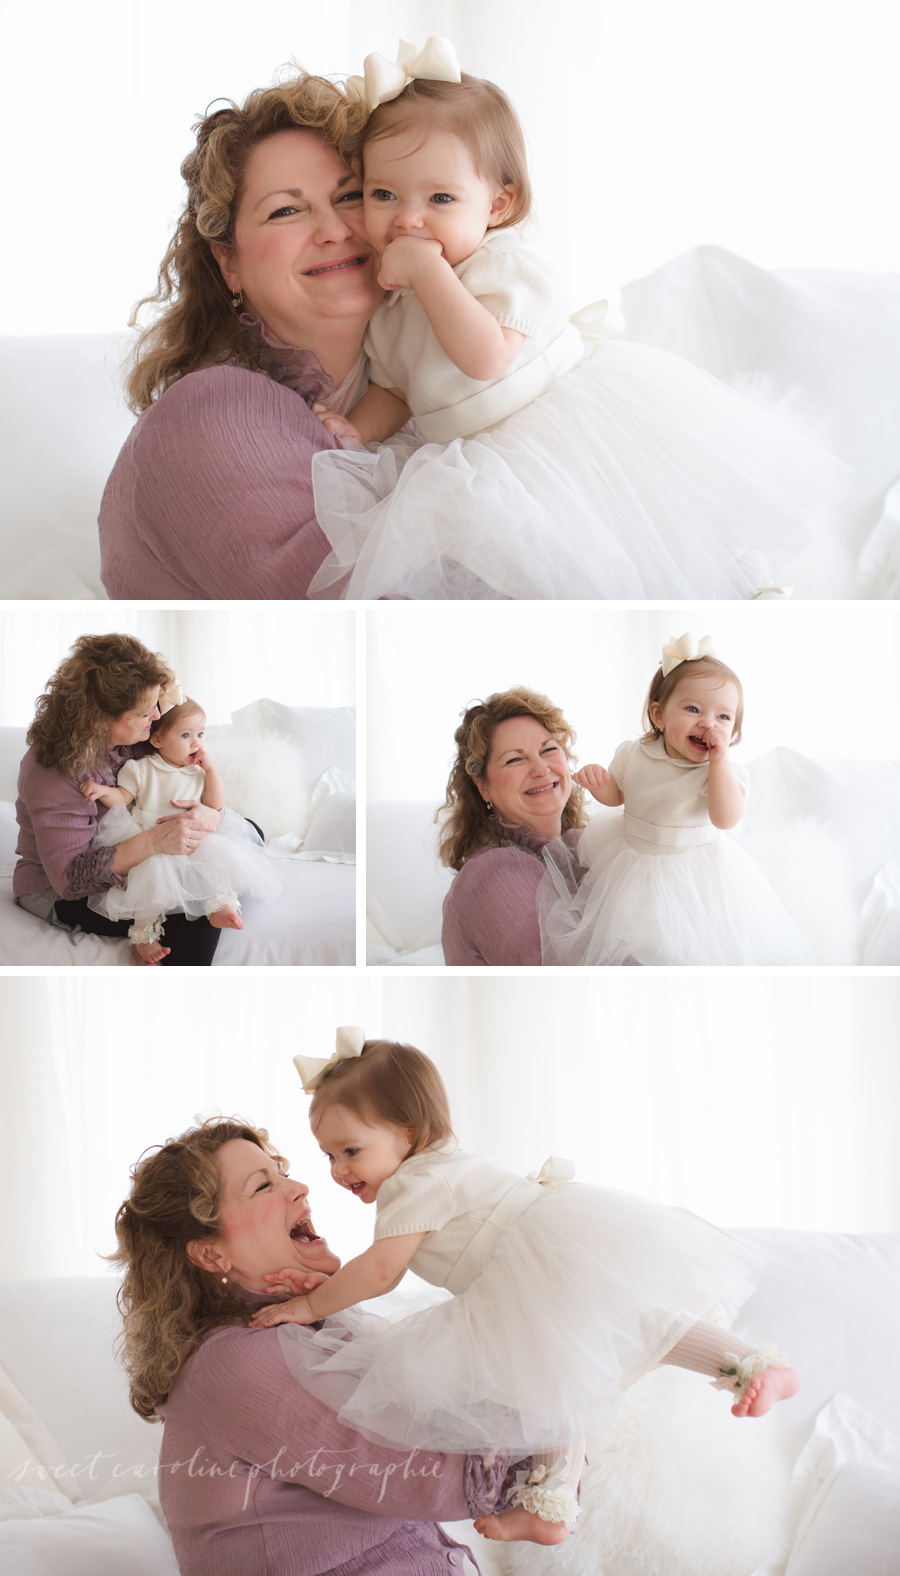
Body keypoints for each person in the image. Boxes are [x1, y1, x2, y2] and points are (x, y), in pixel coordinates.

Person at [308, 39, 849, 602]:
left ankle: (739, 582)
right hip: (475, 458)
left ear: (497, 204)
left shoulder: (503, 268)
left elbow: (486, 357)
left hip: (560, 431)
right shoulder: (392, 307)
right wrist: (362, 428)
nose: (409, 219)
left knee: (642, 529)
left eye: (441, 198)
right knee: (558, 569)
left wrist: (424, 269)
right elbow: (398, 388)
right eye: (384, 194)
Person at [250, 1030, 800, 1546]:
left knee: (617, 1340)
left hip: (533, 1261)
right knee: (553, 1380)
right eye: (328, 1155)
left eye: (350, 1151)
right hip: (537, 1255)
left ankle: (754, 1367)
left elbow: (380, 1271)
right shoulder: (435, 1164)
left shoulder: (413, 1184)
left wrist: (309, 1304)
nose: (337, 1170)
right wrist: (321, 1281)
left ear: (408, 1134)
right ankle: (553, 1501)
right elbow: (375, 1265)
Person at [112, 1117, 530, 1575]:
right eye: (262, 1186)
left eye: (282, 1173)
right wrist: (551, 1404)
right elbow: (427, 1476)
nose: (299, 1188)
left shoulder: (310, 1330)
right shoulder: (234, 1364)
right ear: (211, 1254)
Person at [98, 73, 383, 600]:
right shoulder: (208, 415)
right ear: (228, 261)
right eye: (286, 210)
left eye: (351, 196)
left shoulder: (421, 379)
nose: (334, 229)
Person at [540, 633, 813, 965]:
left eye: (723, 717)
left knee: (692, 947)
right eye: (693, 708)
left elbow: (725, 819)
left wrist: (719, 763)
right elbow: (619, 795)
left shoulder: (720, 772)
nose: (708, 723)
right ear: (659, 715)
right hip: (635, 864)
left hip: (694, 875)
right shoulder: (633, 753)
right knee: (637, 942)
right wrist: (600, 785)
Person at [14, 634, 222, 966]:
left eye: (157, 703)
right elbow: (69, 880)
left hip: (135, 854)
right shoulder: (52, 773)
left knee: (246, 838)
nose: (157, 715)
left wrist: (210, 815)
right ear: (99, 718)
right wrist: (154, 841)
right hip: (59, 889)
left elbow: (186, 781)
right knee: (191, 913)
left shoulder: (140, 736)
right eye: (144, 711)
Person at [84, 694, 280, 963]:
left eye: (200, 734)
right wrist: (102, 791)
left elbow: (215, 803)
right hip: (151, 842)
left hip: (193, 841)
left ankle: (220, 906)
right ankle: (144, 937)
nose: (196, 742)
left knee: (216, 860)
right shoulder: (141, 769)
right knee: (150, 884)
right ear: (157, 739)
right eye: (186, 735)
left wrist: (211, 771)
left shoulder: (198, 773)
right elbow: (122, 799)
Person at [439, 687, 588, 965]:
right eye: (515, 759)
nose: (541, 769)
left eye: (548, 749)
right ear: (483, 785)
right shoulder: (493, 873)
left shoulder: (582, 847)